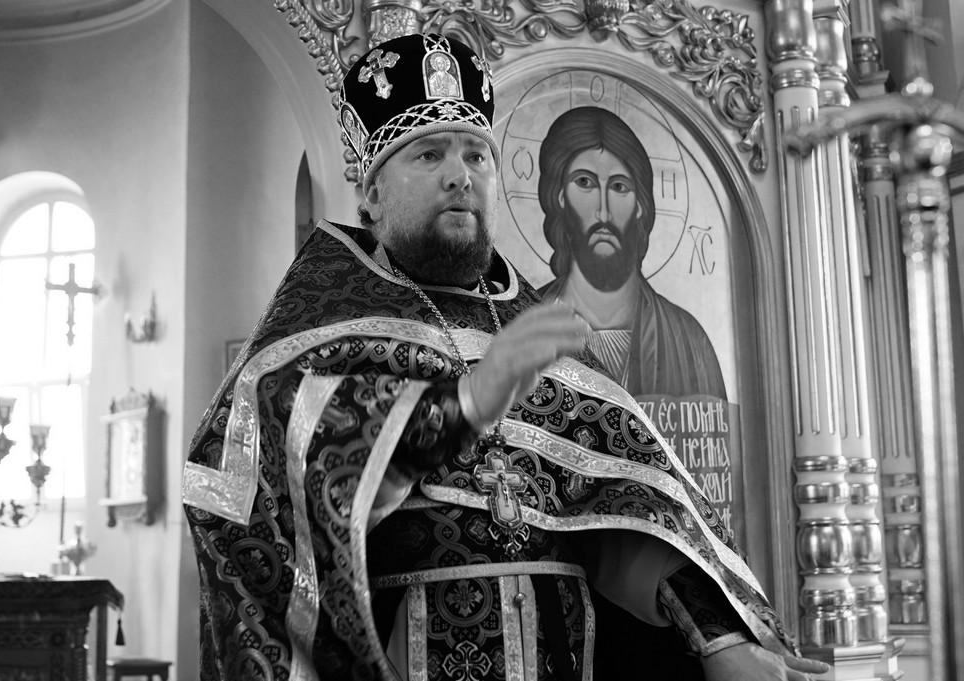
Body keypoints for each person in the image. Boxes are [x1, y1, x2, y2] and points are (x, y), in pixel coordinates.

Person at [183, 32, 828, 681]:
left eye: (475, 155)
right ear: (372, 195)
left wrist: (719, 641)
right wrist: (462, 404)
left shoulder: (532, 325)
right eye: (429, 154)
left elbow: (634, 509)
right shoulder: (322, 327)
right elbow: (264, 492)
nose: (459, 175)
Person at [537, 107, 727, 400]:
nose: (603, 211)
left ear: (640, 204)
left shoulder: (689, 341)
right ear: (561, 197)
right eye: (585, 182)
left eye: (619, 186)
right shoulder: (522, 326)